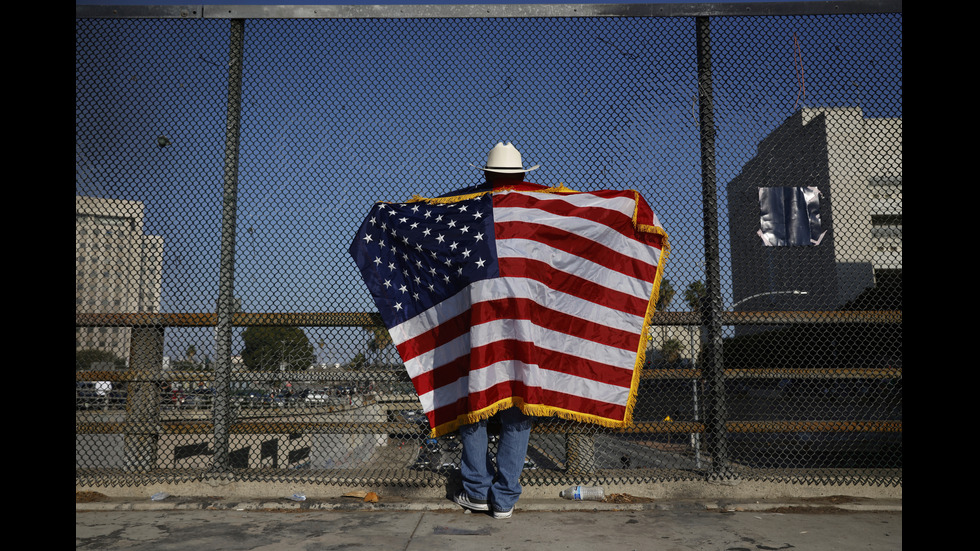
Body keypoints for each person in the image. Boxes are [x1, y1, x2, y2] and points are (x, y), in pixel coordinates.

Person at [450, 142, 539, 520]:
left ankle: (477, 491)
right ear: (522, 177)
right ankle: (504, 498)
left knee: (475, 401)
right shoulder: (542, 208)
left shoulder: (466, 207)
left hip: (479, 313)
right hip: (524, 315)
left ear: (485, 175)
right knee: (519, 402)